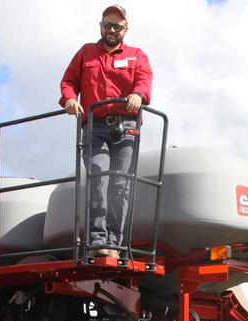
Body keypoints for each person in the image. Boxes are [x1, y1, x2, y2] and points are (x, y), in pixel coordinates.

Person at [59, 5, 153, 258]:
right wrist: (69, 98)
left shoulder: (137, 55)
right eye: (107, 24)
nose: (111, 30)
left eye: (117, 26)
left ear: (126, 29)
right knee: (99, 179)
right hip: (95, 126)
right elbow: (68, 81)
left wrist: (138, 94)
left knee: (120, 185)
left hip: (127, 128)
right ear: (100, 26)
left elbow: (144, 81)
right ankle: (99, 240)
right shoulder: (86, 53)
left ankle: (115, 243)